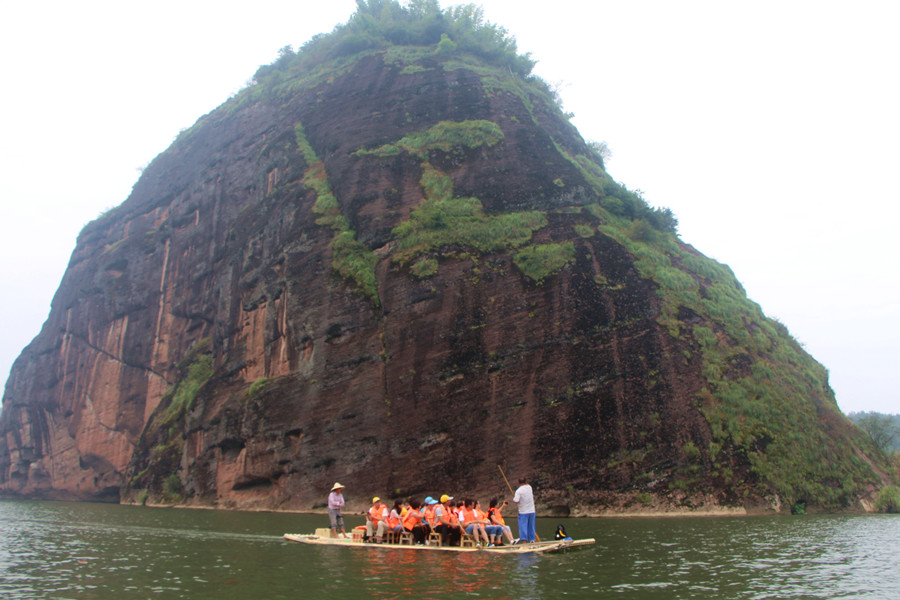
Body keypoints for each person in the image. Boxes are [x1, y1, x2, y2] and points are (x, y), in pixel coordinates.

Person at [513, 476, 536, 542]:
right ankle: (532, 540)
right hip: (532, 511)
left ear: (519, 483)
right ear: (526, 482)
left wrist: (514, 499)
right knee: (531, 526)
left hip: (523, 512)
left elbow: (516, 500)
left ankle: (524, 541)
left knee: (523, 527)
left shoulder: (518, 491)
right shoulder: (529, 488)